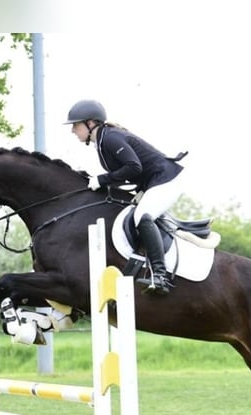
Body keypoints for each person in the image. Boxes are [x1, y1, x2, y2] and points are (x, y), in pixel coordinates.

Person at [64, 99, 186, 295]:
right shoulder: (102, 141)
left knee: (142, 216)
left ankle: (161, 275)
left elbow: (133, 166)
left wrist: (103, 179)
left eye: (76, 125)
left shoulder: (110, 138)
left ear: (91, 123)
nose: (73, 130)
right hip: (152, 181)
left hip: (167, 179)